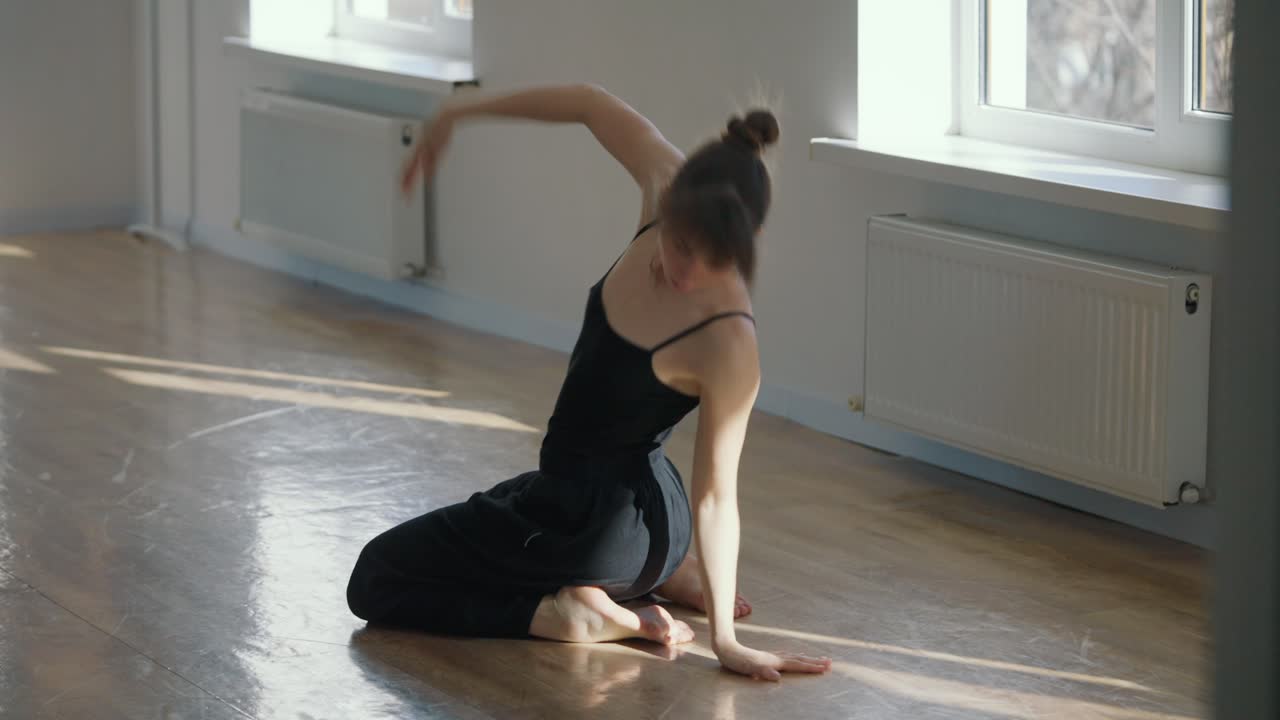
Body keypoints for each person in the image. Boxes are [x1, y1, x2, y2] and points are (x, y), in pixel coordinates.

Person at [346, 84, 832, 682]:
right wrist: (458, 111)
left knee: (376, 575)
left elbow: (717, 496)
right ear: (672, 197)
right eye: (677, 243)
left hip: (596, 532)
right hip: (646, 517)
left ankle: (566, 616)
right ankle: (655, 575)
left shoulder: (730, 345)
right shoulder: (664, 177)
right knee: (505, 505)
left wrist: (726, 644)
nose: (681, 270)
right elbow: (585, 103)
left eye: (708, 261)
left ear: (744, 246)